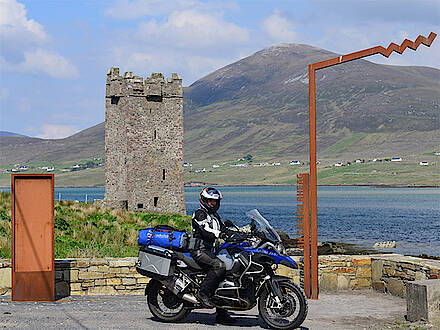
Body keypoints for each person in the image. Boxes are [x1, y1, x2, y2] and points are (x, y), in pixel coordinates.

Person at [191, 187, 236, 325]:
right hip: (199, 251)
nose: (213, 203)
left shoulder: (215, 216)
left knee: (228, 271)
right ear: (204, 200)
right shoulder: (200, 214)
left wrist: (240, 233)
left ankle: (222, 313)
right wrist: (221, 235)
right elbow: (206, 231)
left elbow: (223, 229)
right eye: (210, 201)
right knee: (219, 266)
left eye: (215, 201)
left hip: (211, 250)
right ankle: (203, 294)